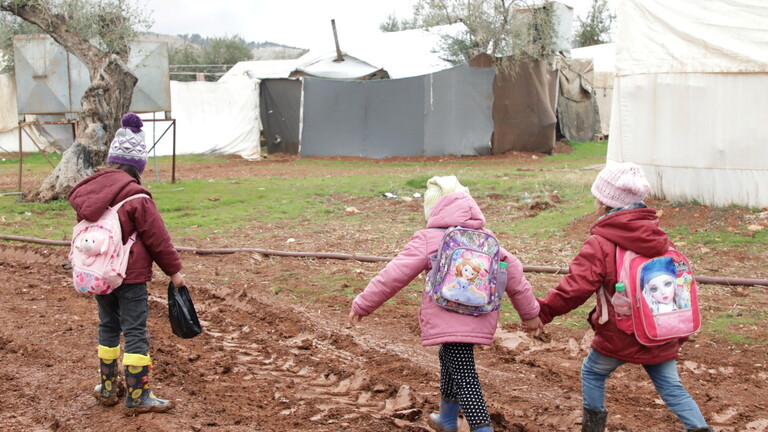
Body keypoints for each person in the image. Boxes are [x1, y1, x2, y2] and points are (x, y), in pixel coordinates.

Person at [348, 175, 543, 432]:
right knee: (450, 357)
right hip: (479, 315)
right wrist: (530, 313)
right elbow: (514, 271)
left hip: (447, 316)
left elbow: (394, 274)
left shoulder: (428, 238)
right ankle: (447, 419)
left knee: (464, 373)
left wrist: (363, 304)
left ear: (434, 209)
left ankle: (481, 428)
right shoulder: (485, 238)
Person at [533, 162, 712, 432]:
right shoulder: (660, 239)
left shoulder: (601, 243)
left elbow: (575, 288)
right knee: (672, 388)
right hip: (660, 330)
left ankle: (592, 429)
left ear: (604, 202)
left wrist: (543, 311)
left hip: (621, 333)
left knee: (593, 373)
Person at [68, 113, 186, 415]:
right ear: (138, 165)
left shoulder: (91, 192)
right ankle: (138, 395)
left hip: (100, 275)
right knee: (134, 330)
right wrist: (174, 272)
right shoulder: (137, 197)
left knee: (108, 326)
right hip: (129, 277)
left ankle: (108, 387)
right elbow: (158, 239)